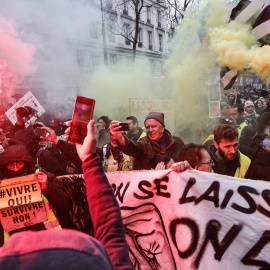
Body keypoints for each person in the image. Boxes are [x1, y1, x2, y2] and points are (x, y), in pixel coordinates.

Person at [0, 144, 71, 246]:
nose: (15, 169)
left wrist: (47, 187)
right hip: (17, 245)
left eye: (19, 164)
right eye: (11, 165)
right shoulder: (2, 187)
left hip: (46, 239)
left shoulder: (44, 178)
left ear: (27, 164)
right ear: (5, 167)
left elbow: (64, 206)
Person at [110, 112, 184, 170]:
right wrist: (120, 138)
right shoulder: (143, 144)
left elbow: (186, 163)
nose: (150, 130)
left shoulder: (177, 142)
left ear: (162, 128)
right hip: (148, 187)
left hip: (174, 186)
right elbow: (131, 146)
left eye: (154, 126)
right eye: (147, 127)